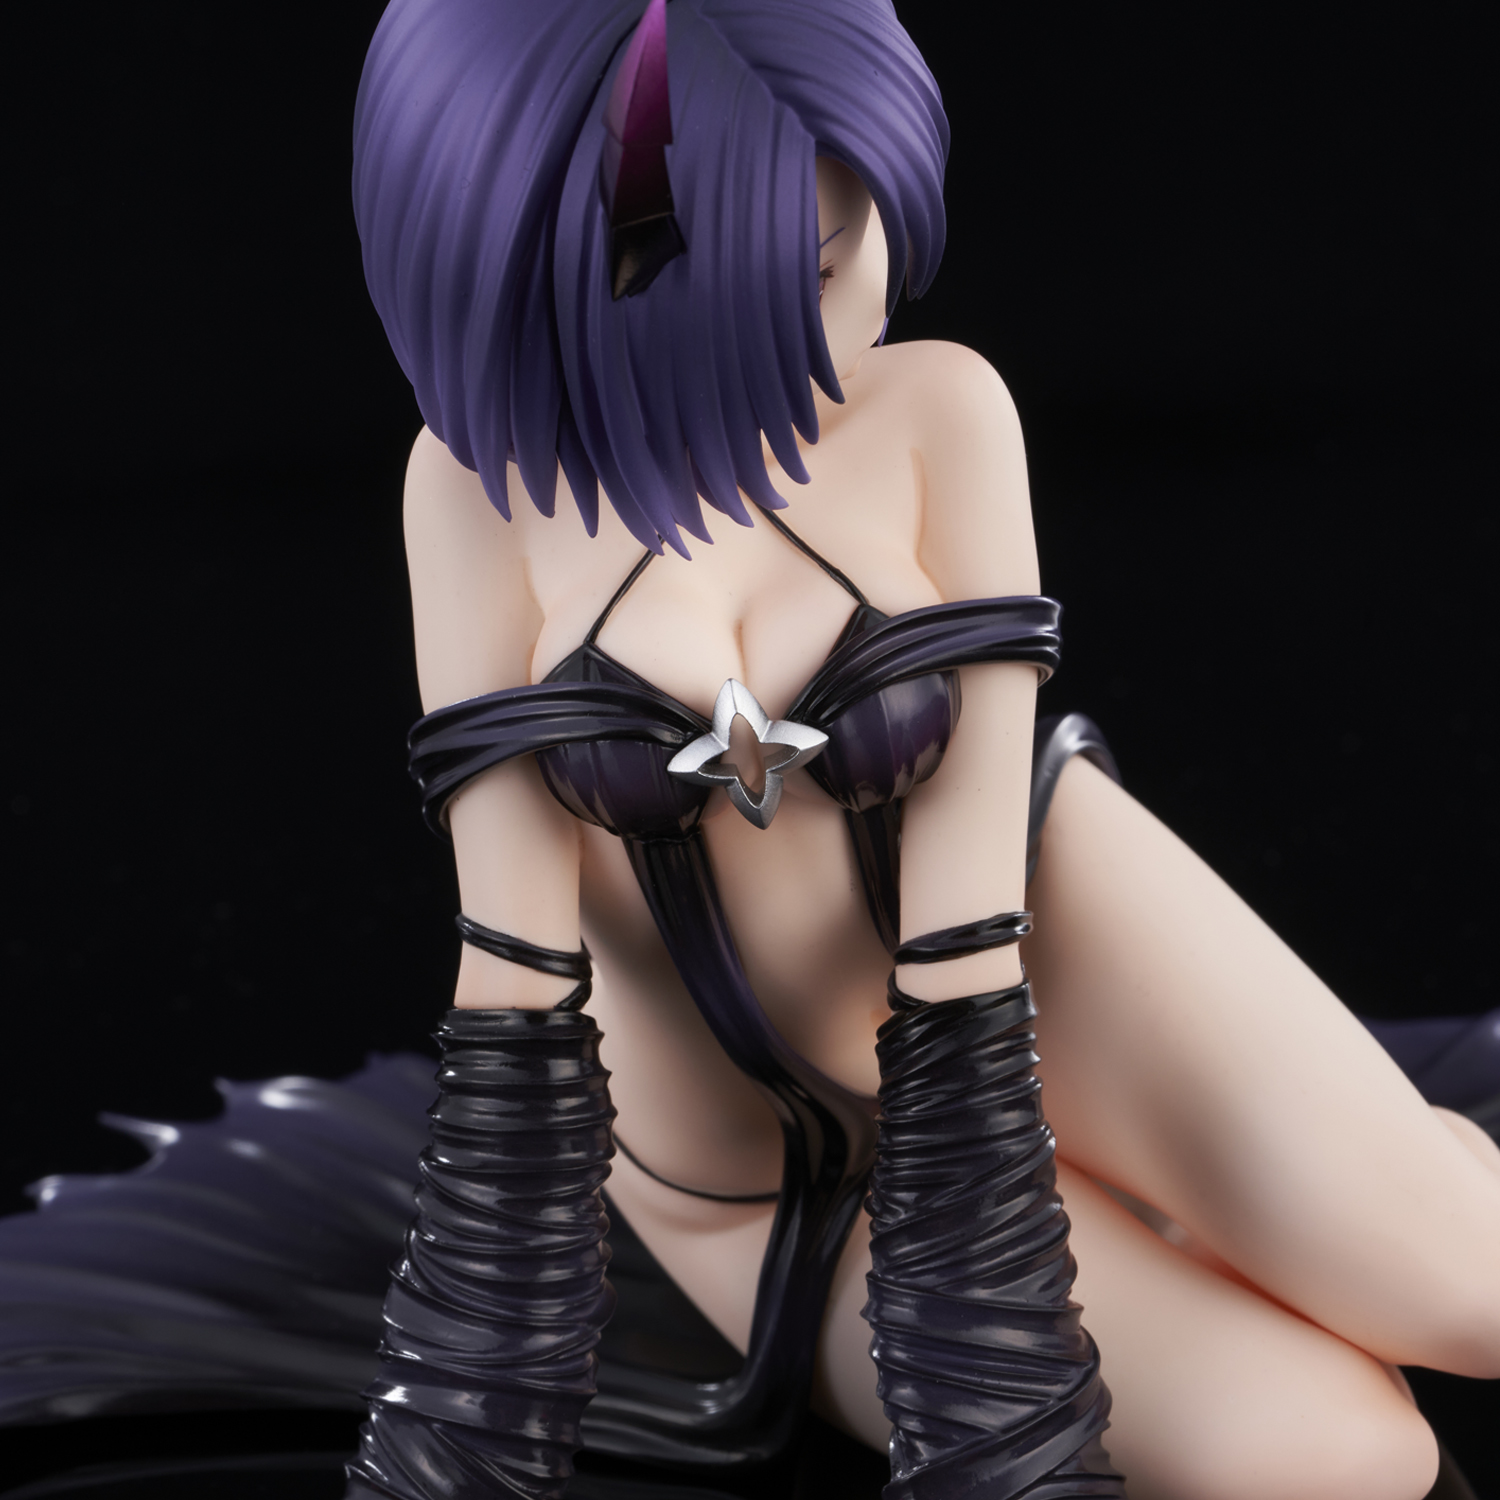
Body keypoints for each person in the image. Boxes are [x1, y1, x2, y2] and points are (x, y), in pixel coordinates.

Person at [352, 0, 1500, 1496]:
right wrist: (459, 1425)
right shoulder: (472, 493)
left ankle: (1322, 1168)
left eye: (839, 257)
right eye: (760, 287)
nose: (835, 326)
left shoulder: (937, 410)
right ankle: (1249, 1186)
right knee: (1343, 1461)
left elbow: (967, 944)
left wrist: (989, 1318)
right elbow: (514, 978)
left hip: (1038, 949)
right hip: (752, 1177)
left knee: (1475, 1287)